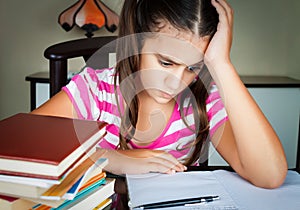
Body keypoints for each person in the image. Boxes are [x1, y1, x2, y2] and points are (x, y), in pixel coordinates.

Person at [32, 0, 287, 189]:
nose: (177, 82)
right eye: (166, 62)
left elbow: (270, 175)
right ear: (138, 40)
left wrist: (222, 64)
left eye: (193, 67)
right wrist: (107, 158)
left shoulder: (204, 97)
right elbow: (19, 147)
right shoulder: (95, 90)